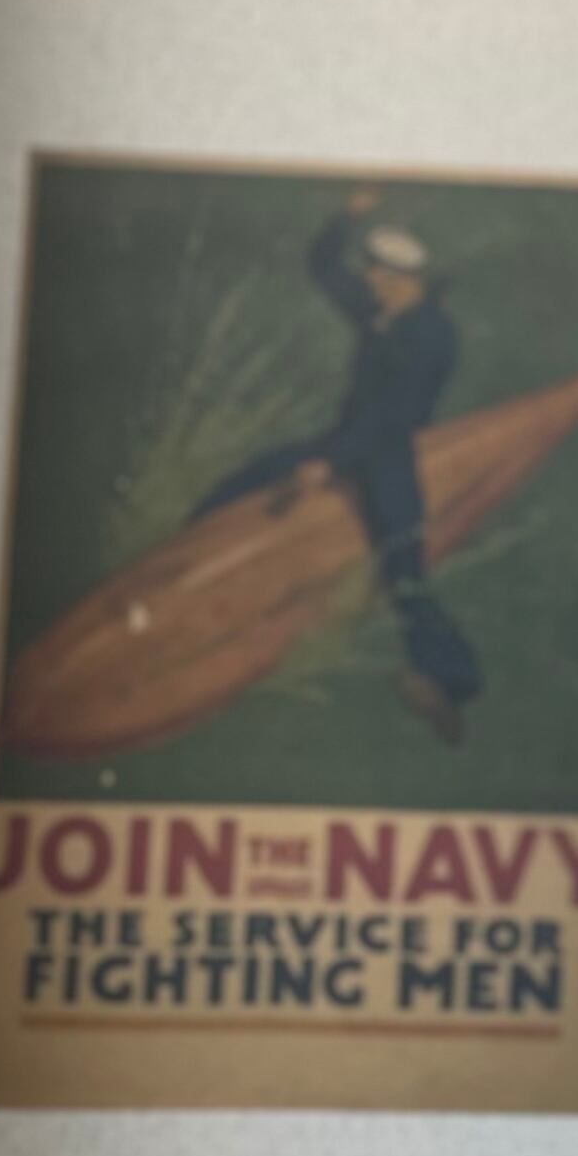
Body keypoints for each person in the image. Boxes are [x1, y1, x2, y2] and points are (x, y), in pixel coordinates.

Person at [193, 190, 483, 743]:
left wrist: (330, 463)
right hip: (345, 443)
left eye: (378, 276)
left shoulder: (433, 337)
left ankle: (450, 683)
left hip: (387, 455)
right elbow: (322, 265)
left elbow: (391, 419)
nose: (368, 283)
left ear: (405, 281)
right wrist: (348, 216)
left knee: (405, 574)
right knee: (244, 483)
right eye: (370, 273)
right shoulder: (380, 311)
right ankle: (191, 546)